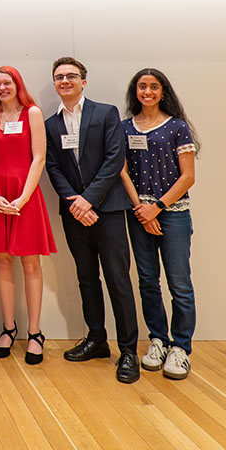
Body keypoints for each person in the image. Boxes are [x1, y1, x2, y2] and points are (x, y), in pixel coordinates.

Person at [43, 56, 140, 384]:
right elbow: (52, 167)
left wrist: (89, 199)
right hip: (74, 213)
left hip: (108, 210)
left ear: (84, 81)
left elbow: (115, 158)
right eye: (59, 77)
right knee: (86, 278)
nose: (65, 81)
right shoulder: (50, 124)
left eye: (71, 76)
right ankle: (97, 339)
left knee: (118, 279)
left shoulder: (105, 113)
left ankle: (128, 351)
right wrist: (75, 201)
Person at [119, 68, 199, 380]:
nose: (148, 92)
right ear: (135, 91)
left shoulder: (177, 127)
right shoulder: (125, 128)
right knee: (147, 281)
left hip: (173, 213)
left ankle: (181, 347)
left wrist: (158, 207)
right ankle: (158, 340)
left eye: (154, 87)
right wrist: (141, 208)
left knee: (179, 283)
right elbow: (122, 171)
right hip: (138, 213)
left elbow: (188, 176)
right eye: (142, 87)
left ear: (162, 91)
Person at [0, 65, 56, 365]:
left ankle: (35, 333)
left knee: (31, 263)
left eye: (6, 83)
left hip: (26, 195)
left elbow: (39, 157)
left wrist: (22, 198)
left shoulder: (32, 113)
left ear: (16, 84)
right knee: (2, 259)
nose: (1, 88)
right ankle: (9, 328)